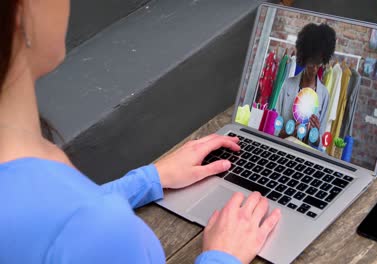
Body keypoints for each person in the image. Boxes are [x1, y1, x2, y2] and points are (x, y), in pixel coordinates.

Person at [0, 0, 281, 263]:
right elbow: (71, 228)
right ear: (22, 11)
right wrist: (223, 256)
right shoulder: (98, 233)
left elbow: (45, 219)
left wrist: (148, 179)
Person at [275, 23, 336, 147]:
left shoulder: (323, 94)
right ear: (304, 58)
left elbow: (319, 144)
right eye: (311, 62)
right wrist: (289, 132)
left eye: (318, 63)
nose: (314, 68)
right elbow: (273, 130)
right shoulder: (287, 85)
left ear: (323, 61)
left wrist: (316, 132)